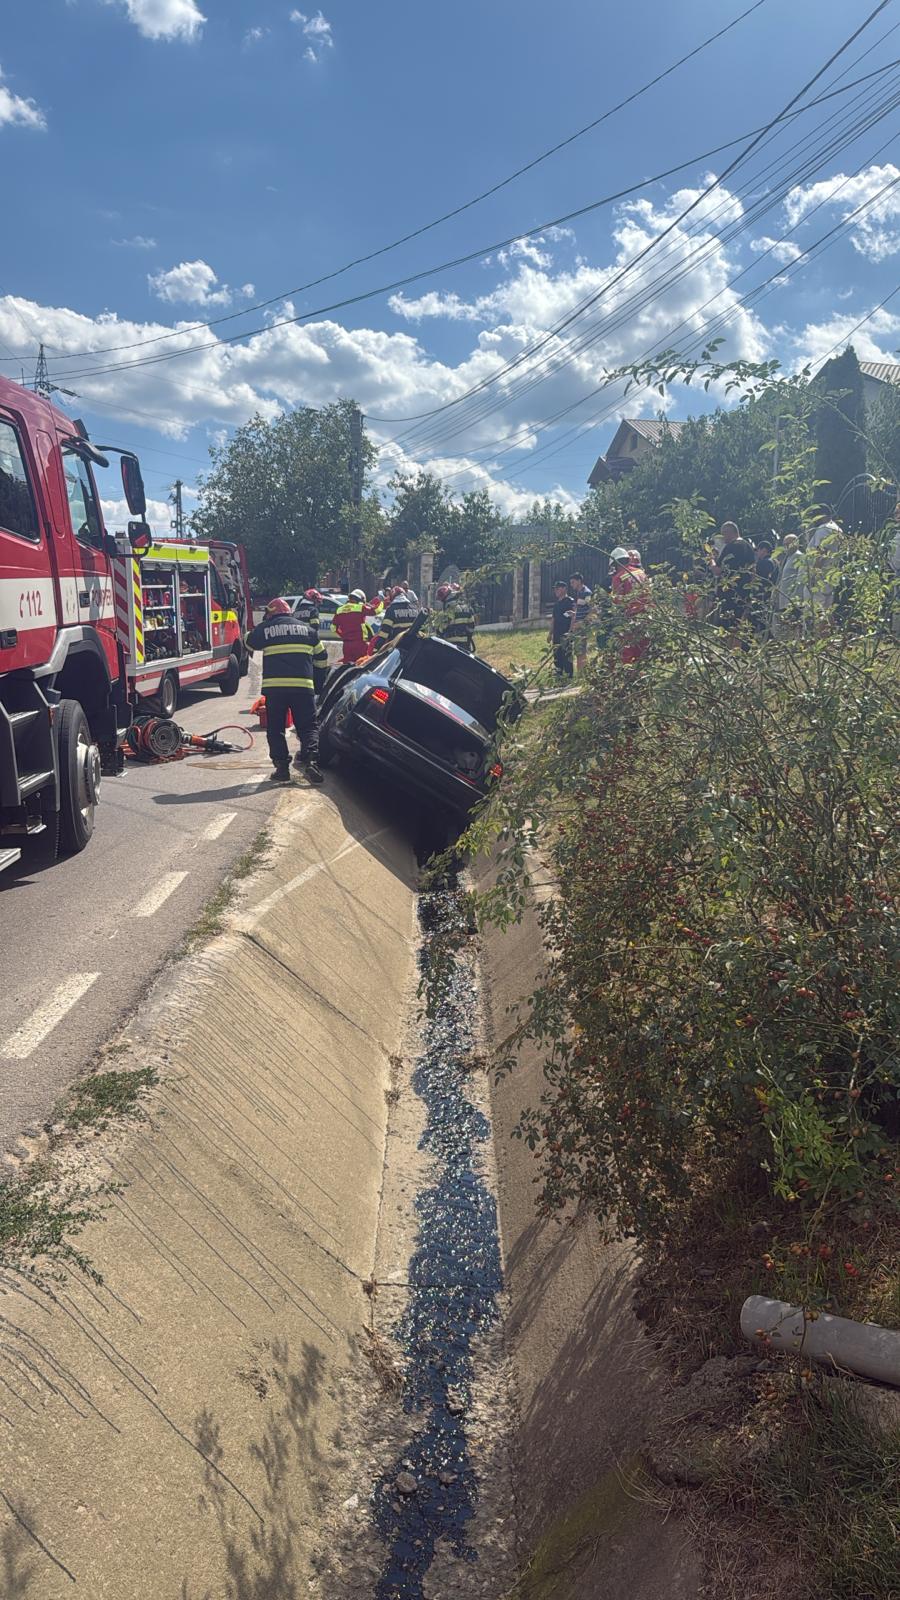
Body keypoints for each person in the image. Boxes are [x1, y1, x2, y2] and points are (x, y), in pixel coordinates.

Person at [244, 597, 328, 785]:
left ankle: (282, 769)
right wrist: (317, 684)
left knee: (276, 729)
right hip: (303, 687)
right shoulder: (308, 630)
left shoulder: (267, 628)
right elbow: (322, 657)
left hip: (275, 689)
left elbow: (248, 642)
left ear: (271, 613)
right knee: (308, 727)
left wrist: (263, 624)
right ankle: (311, 761)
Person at [712, 521, 755, 635]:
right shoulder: (749, 547)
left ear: (729, 533)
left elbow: (718, 571)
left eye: (723, 534)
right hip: (743, 593)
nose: (722, 538)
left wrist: (710, 560)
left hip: (729, 593)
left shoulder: (731, 547)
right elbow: (753, 572)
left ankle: (728, 644)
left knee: (727, 626)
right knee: (740, 624)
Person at [609, 546, 650, 663]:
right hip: (647, 616)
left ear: (614, 563)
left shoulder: (618, 577)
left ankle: (630, 673)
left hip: (630, 620)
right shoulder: (641, 572)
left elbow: (618, 602)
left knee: (628, 652)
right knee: (643, 651)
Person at [334, 588, 374, 663]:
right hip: (360, 644)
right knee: (363, 664)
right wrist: (382, 602)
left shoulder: (340, 610)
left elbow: (333, 627)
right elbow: (375, 611)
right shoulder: (360, 608)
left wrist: (343, 635)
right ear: (360, 600)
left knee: (347, 665)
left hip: (346, 645)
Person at [436, 583, 477, 652]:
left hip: (450, 646)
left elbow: (441, 630)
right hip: (465, 646)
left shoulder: (447, 611)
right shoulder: (467, 607)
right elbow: (471, 627)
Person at [751, 539, 778, 636]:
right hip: (771, 596)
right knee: (767, 622)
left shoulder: (763, 563)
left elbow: (757, 581)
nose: (757, 553)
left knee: (756, 621)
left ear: (764, 550)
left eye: (758, 550)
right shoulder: (776, 562)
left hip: (761, 596)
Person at [548, 579, 575, 679]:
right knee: (557, 654)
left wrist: (570, 631)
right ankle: (558, 673)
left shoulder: (569, 601)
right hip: (557, 632)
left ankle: (569, 675)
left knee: (566, 654)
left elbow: (573, 617)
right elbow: (553, 619)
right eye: (555, 589)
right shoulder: (556, 604)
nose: (556, 591)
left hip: (566, 632)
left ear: (564, 589)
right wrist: (550, 633)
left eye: (558, 589)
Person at [569, 572, 593, 672]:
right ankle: (581, 674)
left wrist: (582, 623)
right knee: (578, 651)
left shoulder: (586, 592)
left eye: (573, 582)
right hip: (577, 625)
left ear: (579, 581)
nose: (571, 585)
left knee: (581, 651)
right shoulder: (579, 593)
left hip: (582, 626)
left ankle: (582, 674)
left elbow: (593, 610)